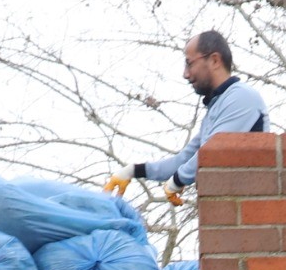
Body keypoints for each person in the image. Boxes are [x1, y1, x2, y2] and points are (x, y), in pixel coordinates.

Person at [105, 30, 268, 195]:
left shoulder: (242, 97)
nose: (185, 74)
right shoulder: (218, 107)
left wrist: (177, 181)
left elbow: (211, 153)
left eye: (189, 63)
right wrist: (132, 171)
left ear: (214, 60)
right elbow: (183, 160)